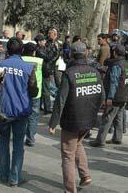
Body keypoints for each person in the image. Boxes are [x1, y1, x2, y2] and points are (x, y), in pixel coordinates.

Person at [48, 41, 104, 193]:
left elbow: (60, 100)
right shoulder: (95, 72)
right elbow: (102, 97)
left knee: (67, 155)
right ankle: (85, 176)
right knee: (77, 144)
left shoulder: (69, 73)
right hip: (88, 120)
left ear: (72, 54)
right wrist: (92, 112)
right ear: (86, 53)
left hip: (72, 121)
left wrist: (53, 123)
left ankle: (69, 190)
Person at [0, 37, 38, 187]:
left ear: (8, 50)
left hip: (3, 112)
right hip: (21, 112)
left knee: (3, 143)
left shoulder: (0, 65)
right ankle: (14, 178)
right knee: (19, 145)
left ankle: (3, 173)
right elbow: (33, 91)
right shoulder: (28, 68)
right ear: (22, 51)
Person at [90, 45, 128, 147]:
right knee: (119, 117)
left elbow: (114, 82)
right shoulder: (127, 64)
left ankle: (100, 140)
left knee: (107, 118)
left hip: (116, 97)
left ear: (115, 53)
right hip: (124, 95)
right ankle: (117, 138)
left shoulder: (116, 65)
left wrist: (110, 97)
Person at [22, 42, 43, 147]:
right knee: (33, 116)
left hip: (23, 92)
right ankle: (30, 138)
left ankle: (20, 135)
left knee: (22, 114)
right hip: (36, 92)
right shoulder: (40, 61)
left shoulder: (21, 60)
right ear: (34, 52)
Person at [35, 33, 56, 114]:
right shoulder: (38, 50)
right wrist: (54, 52)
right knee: (45, 90)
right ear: (39, 42)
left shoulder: (43, 48)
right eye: (43, 40)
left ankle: (43, 106)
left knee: (44, 90)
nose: (45, 42)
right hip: (42, 72)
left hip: (44, 71)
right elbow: (47, 57)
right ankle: (47, 107)